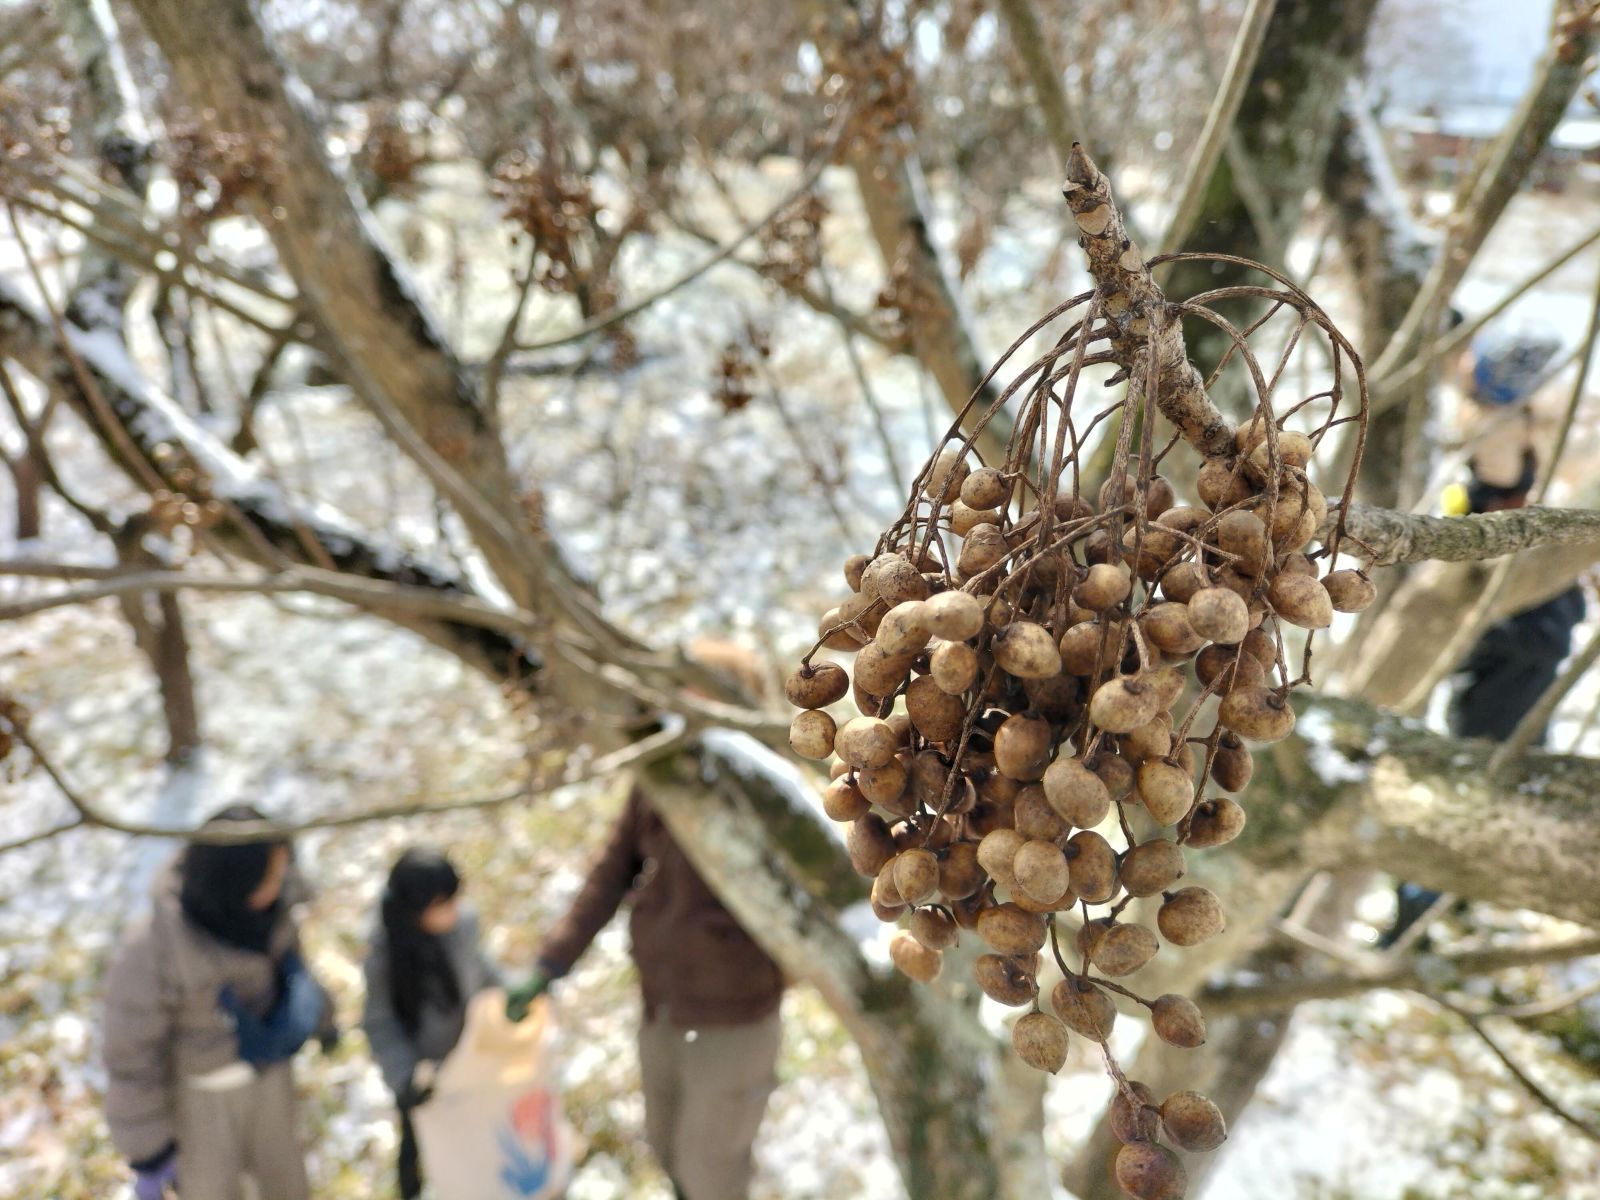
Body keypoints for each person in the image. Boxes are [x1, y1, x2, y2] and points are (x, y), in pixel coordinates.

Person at [504, 786, 784, 1200]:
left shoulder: (753, 782)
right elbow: (610, 873)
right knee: (665, 1144)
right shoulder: (658, 775)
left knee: (710, 1168)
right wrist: (552, 962)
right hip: (664, 1007)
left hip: (733, 1019)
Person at [1379, 459, 1585, 947]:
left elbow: (1560, 627)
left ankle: (1444, 911)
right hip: (1483, 713)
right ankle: (1418, 914)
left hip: (1522, 714)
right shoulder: (1484, 559)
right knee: (1454, 815)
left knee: (1480, 816)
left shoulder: (1543, 558)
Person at [102, 804, 336, 1200]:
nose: (279, 885)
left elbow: (296, 970)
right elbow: (132, 1055)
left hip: (271, 1075)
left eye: (281, 871)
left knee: (286, 1181)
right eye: (270, 875)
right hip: (203, 1099)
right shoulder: (156, 950)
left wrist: (322, 1017)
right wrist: (148, 1150)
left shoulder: (273, 911)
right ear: (232, 882)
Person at [362, 846, 502, 1200]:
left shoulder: (462, 925)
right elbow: (380, 1022)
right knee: (419, 1150)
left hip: (469, 1060)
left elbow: (480, 967)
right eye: (443, 905)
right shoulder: (385, 955)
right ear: (416, 909)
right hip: (422, 1076)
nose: (453, 911)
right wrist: (406, 1077)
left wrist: (511, 993)